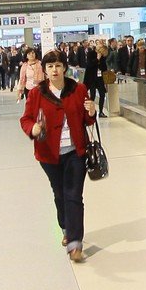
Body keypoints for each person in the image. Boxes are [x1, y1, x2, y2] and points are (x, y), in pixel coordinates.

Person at [20, 50, 97, 263]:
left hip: (75, 152)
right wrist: (33, 128)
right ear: (44, 70)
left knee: (73, 195)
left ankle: (75, 243)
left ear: (65, 67)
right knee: (59, 193)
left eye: (58, 65)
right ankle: (65, 226)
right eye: (50, 66)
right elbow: (25, 119)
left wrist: (91, 111)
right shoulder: (37, 94)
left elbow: (88, 121)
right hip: (48, 154)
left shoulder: (79, 89)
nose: (55, 70)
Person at [83, 41, 106, 118]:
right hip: (92, 78)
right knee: (92, 95)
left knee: (102, 94)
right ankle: (90, 111)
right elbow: (89, 65)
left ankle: (101, 111)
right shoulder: (90, 53)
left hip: (100, 78)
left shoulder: (103, 56)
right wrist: (97, 59)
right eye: (99, 47)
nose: (100, 48)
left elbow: (104, 67)